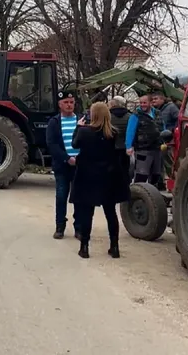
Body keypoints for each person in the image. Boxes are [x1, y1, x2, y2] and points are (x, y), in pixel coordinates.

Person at [70, 102, 129, 259]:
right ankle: (114, 247)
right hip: (108, 175)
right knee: (110, 213)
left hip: (88, 175)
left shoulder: (84, 131)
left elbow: (74, 145)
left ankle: (84, 247)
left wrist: (78, 127)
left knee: (87, 213)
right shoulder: (113, 133)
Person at [46, 90, 79, 240]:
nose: (69, 105)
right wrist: (67, 158)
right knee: (61, 196)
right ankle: (60, 227)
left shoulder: (81, 120)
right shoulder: (54, 122)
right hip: (62, 166)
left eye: (71, 102)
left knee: (79, 198)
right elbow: (52, 144)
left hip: (80, 166)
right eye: (66, 102)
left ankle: (79, 228)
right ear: (60, 104)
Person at [125, 94, 163, 185]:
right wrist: (128, 146)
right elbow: (130, 131)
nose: (142, 105)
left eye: (145, 103)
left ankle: (153, 191)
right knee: (141, 174)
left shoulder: (158, 113)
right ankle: (138, 191)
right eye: (141, 103)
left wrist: (165, 139)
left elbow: (162, 126)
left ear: (150, 103)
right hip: (143, 149)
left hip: (157, 148)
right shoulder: (136, 115)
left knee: (156, 174)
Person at [109, 96, 132, 184]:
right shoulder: (129, 116)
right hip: (126, 147)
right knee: (125, 168)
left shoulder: (108, 116)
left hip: (112, 147)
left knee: (113, 169)